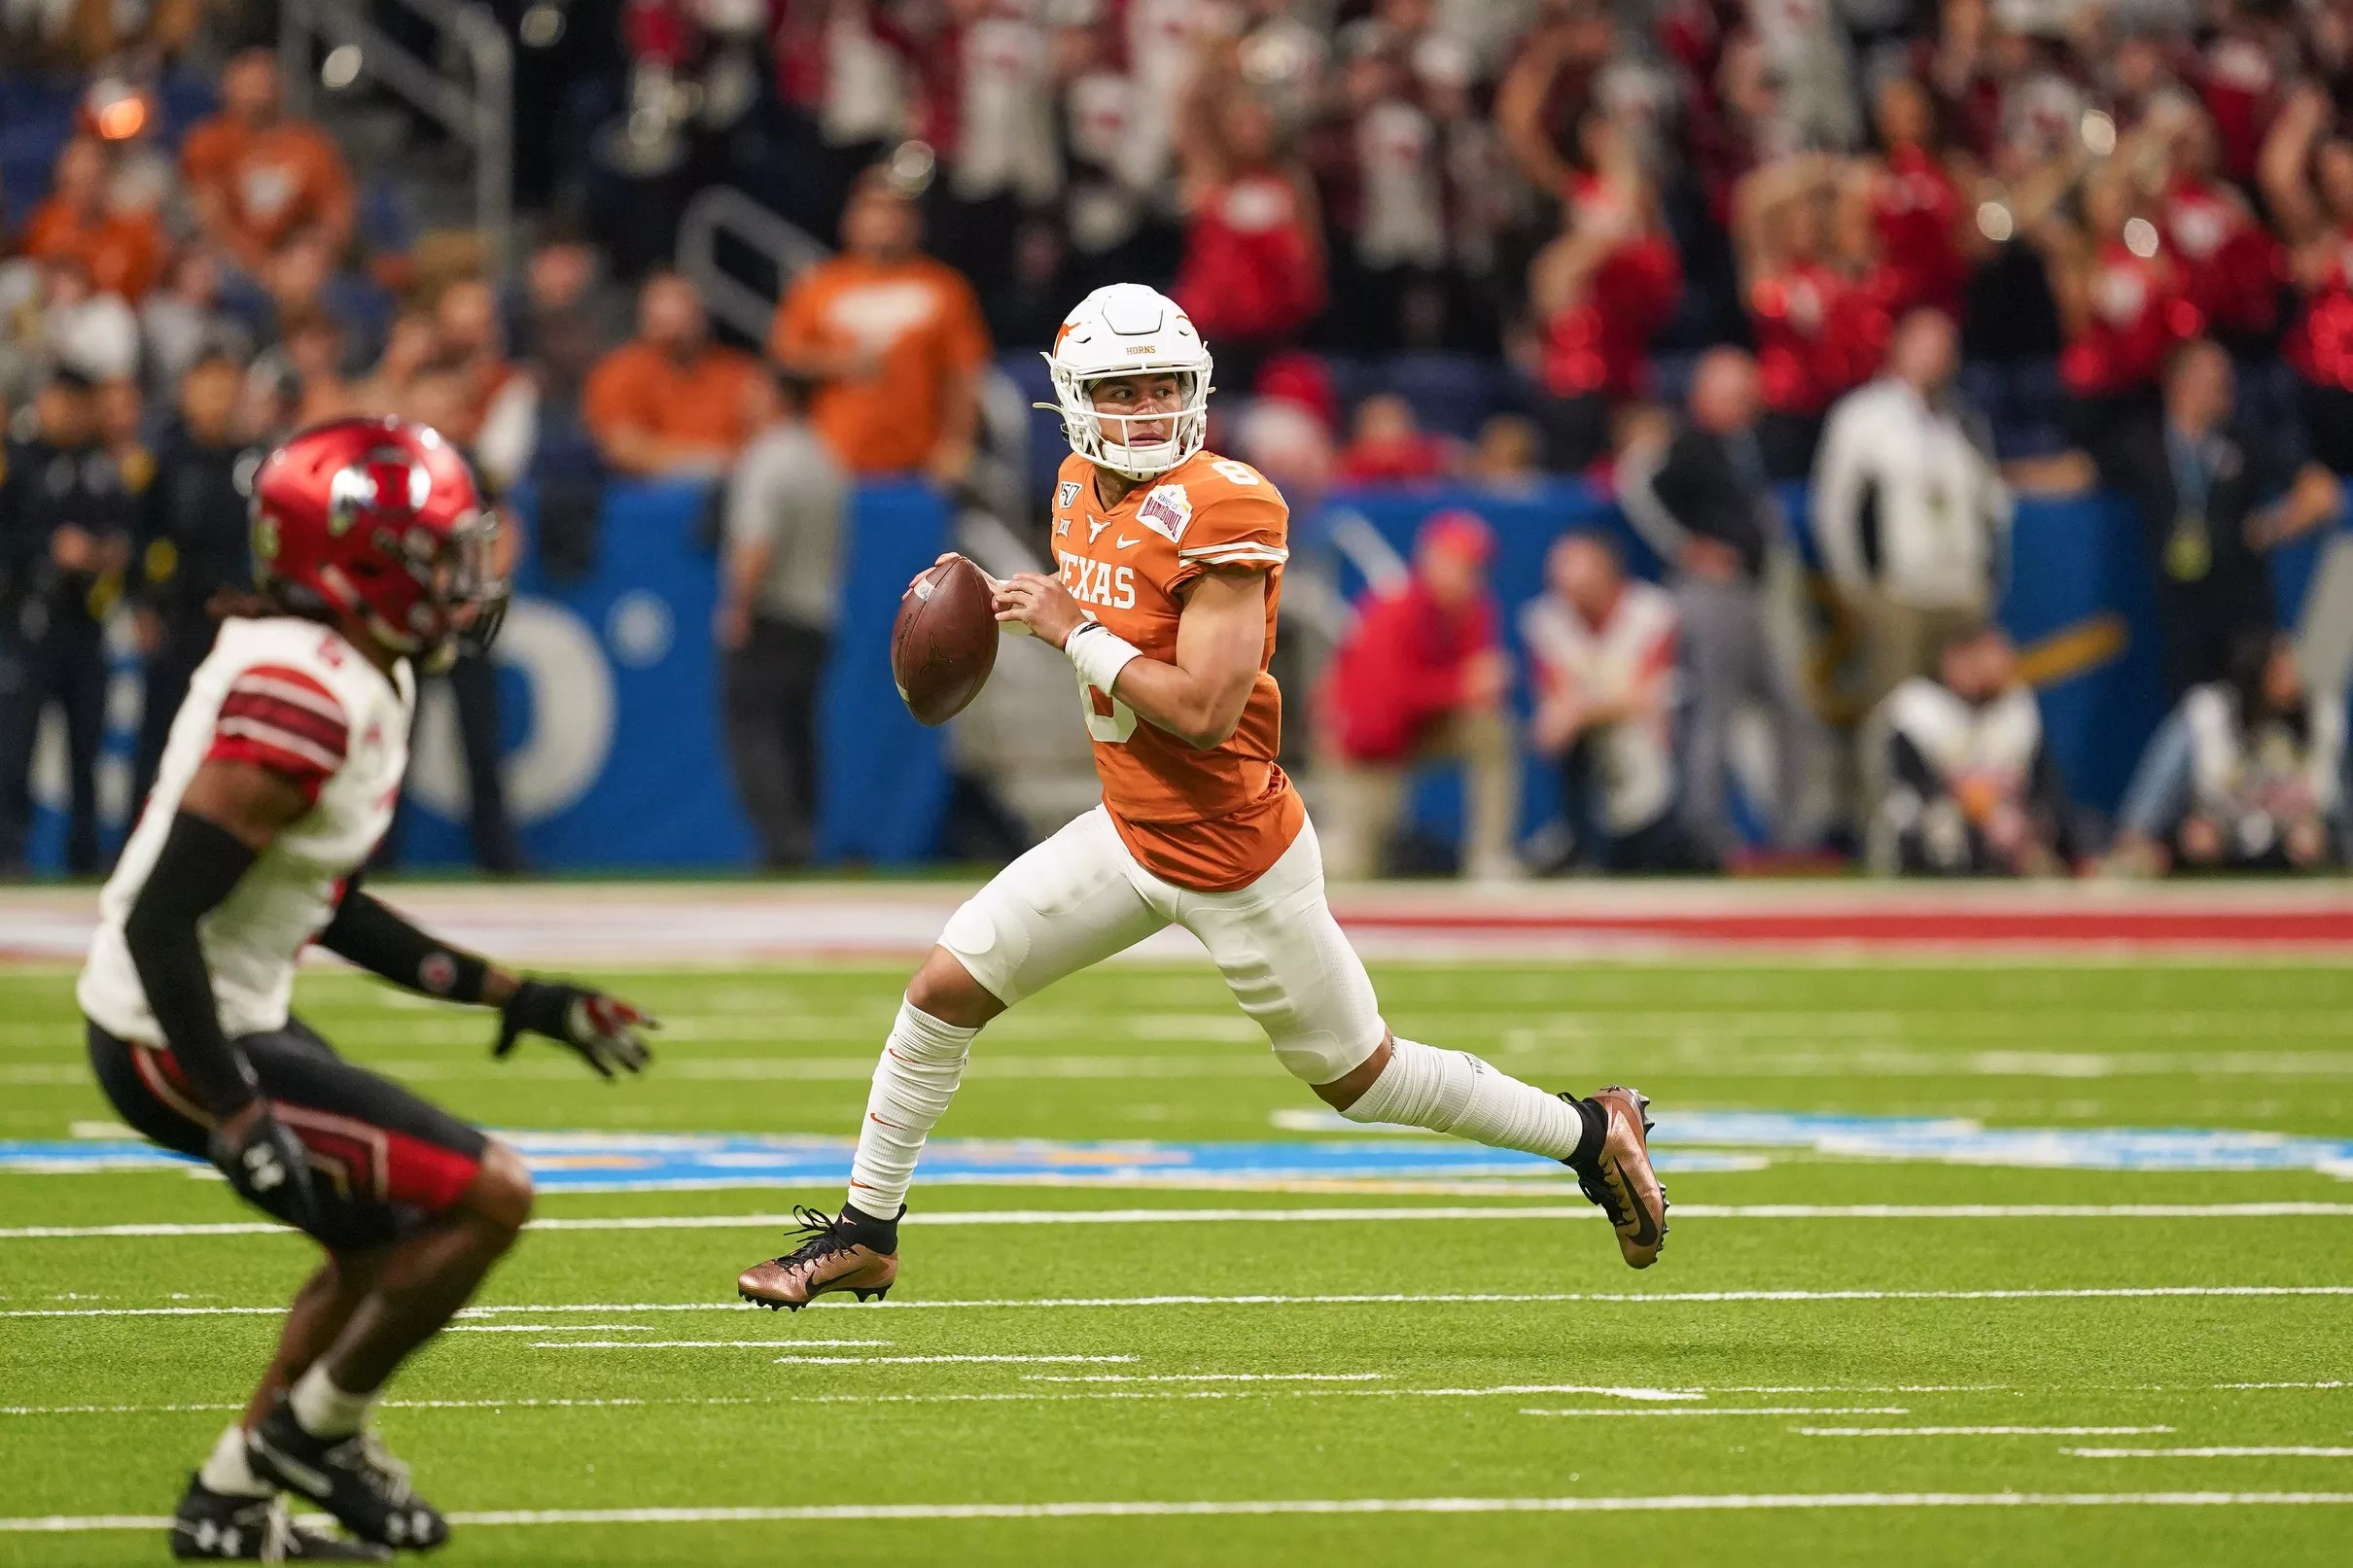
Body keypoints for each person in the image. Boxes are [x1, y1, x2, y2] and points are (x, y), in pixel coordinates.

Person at [732, 284, 1666, 1311]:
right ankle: (866, 1230)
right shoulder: (1072, 488)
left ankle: (1588, 1130)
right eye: (1118, 390)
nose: (1141, 411)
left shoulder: (1226, 503)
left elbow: (1208, 708)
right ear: (1071, 400)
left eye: (1161, 387)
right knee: (940, 990)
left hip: (1233, 855)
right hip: (1130, 830)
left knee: (1364, 1079)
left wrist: (1070, 631)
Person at [76, 416, 652, 1558]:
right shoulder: (309, 687)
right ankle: (312, 1436)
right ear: (360, 562)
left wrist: (513, 994)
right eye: (439, 554)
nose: (466, 578)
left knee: (385, 1243)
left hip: (213, 1012)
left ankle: (232, 1501)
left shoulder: (342, 664)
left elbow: (318, 895)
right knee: (490, 1195)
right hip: (174, 1032)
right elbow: (158, 915)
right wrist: (233, 1105)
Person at [1617, 347, 1819, 856]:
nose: (1744, 402)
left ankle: (1792, 834)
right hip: (1711, 594)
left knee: (1790, 707)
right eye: (1733, 392)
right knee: (1714, 708)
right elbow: (1638, 485)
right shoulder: (1686, 444)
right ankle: (1704, 832)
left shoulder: (1743, 445)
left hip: (1753, 591)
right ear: (1704, 394)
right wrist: (1685, 546)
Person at [2110, 340, 2340, 701]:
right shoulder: (2144, 443)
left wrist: (2274, 525)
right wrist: (2004, 473)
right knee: (2195, 728)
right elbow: (2078, 471)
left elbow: (2322, 492)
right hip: (2182, 620)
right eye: (2213, 378)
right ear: (2180, 382)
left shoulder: (2245, 440)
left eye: (2226, 377)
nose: (2226, 386)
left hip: (2244, 617)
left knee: (2251, 723)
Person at [1813, 308, 2012, 709]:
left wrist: (1989, 583)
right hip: (1899, 594)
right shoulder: (1862, 415)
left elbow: (1993, 508)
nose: (1935, 355)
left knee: (1964, 717)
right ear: (1898, 346)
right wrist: (1855, 585)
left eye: (1944, 346)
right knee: (1895, 713)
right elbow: (1835, 509)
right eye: (1925, 343)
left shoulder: (1964, 421)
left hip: (1961, 592)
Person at [1314, 509, 1522, 883]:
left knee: (1492, 730)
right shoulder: (1394, 610)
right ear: (1431, 560)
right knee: (1352, 865)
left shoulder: (1474, 609)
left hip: (1418, 732)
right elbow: (1386, 701)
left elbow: (1476, 694)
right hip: (1362, 748)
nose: (1469, 576)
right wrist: (1462, 685)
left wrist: (1471, 687)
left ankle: (1490, 857)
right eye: (1459, 564)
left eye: (1476, 567)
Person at [768, 167, 991, 482]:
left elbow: (964, 374)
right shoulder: (819, 285)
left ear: (916, 221)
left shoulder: (944, 288)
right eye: (873, 207)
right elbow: (784, 357)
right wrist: (837, 361)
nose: (885, 219)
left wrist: (957, 445)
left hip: (917, 463)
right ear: (851, 219)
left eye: (897, 208)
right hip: (832, 462)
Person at [0, 367, 132, 875]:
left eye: (78, 403)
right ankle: (9, 855)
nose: (68, 413)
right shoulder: (17, 461)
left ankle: (86, 859)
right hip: (27, 623)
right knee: (15, 746)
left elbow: (129, 532)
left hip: (86, 626)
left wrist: (110, 553)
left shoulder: (103, 464)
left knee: (87, 751)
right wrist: (46, 551)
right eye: (60, 401)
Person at [718, 371, 848, 869]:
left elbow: (757, 542)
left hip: (772, 612)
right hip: (816, 613)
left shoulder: (766, 459)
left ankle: (782, 842)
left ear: (774, 396)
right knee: (798, 732)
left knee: (756, 732)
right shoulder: (824, 458)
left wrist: (737, 606)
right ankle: (802, 834)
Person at [1521, 532, 1707, 873]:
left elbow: (1650, 695)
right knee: (1564, 738)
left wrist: (1585, 709)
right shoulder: (1547, 619)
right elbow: (1553, 712)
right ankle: (1580, 840)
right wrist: (1583, 710)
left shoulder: (1651, 611)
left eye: (1579, 582)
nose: (1569, 594)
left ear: (1606, 574)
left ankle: (1672, 839)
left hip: (1651, 735)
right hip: (1592, 740)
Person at [2108, 632, 2348, 875]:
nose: (2292, 677)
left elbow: (2339, 798)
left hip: (2292, 844)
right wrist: (2137, 835)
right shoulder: (2207, 715)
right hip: (2217, 840)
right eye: (2280, 669)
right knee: (2196, 839)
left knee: (2309, 841)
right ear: (2256, 673)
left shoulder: (2321, 718)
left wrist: (2329, 836)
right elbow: (2160, 779)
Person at [132, 352, 258, 810]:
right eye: (208, 389)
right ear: (187, 394)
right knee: (162, 733)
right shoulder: (165, 463)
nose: (217, 401)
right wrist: (143, 604)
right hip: (180, 616)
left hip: (238, 621)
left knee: (236, 741)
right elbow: (143, 537)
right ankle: (141, 832)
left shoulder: (253, 461)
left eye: (226, 390)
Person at [1867, 623, 2070, 876]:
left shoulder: (2016, 706)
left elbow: (2044, 782)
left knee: (2074, 824)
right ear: (1955, 660)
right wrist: (1984, 813)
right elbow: (1913, 785)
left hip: (2011, 825)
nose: (2002, 662)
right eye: (1988, 654)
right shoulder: (1916, 708)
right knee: (1940, 830)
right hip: (1939, 825)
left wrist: (2031, 821)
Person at [179, 50, 355, 274]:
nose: (258, 91)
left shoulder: (310, 147)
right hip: (227, 265)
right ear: (228, 86)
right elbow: (211, 221)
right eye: (249, 82)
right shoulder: (210, 142)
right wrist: (266, 269)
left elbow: (335, 218)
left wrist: (311, 254)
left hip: (297, 270)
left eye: (264, 79)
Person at [581, 271, 765, 476]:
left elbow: (767, 438)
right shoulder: (619, 371)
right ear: (645, 318)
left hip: (733, 483)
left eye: (683, 307)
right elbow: (623, 448)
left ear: (702, 315)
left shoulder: (739, 372)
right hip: (651, 492)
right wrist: (704, 463)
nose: (674, 324)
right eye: (663, 317)